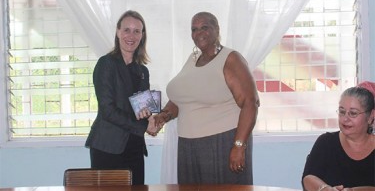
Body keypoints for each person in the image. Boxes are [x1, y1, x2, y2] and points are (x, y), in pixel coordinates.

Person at [151, 11, 260, 184]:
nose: (198, 33)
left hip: (221, 142)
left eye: (204, 27)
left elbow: (251, 103)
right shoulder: (193, 58)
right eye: (194, 29)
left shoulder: (231, 58)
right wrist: (161, 117)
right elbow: (183, 100)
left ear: (217, 29)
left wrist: (239, 146)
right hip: (188, 145)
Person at [85, 10, 156, 185]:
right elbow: (108, 110)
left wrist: (153, 117)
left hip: (134, 147)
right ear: (118, 32)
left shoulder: (143, 71)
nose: (131, 36)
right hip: (108, 147)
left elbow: (142, 109)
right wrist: (144, 126)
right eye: (126, 30)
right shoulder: (106, 64)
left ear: (142, 35)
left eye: (136, 31)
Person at [302, 86, 375, 191]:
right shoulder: (326, 142)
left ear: (371, 116)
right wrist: (325, 188)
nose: (345, 119)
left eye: (353, 113)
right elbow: (309, 177)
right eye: (342, 112)